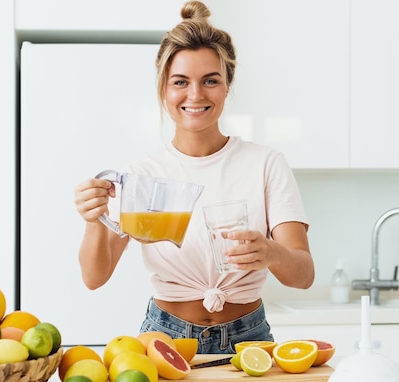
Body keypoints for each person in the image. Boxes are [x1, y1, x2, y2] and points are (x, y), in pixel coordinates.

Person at [73, 1, 314, 354]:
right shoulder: (143, 175)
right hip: (164, 335)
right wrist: (94, 221)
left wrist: (272, 252)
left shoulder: (265, 164)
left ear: (227, 86)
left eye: (210, 81)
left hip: (250, 339)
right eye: (180, 82)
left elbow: (304, 275)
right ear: (164, 90)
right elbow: (94, 278)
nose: (195, 95)